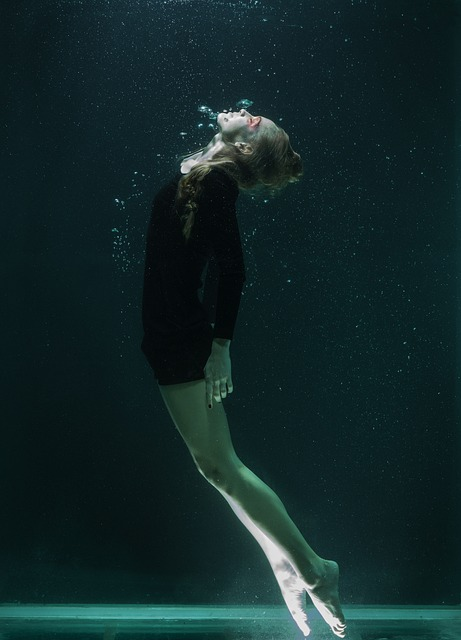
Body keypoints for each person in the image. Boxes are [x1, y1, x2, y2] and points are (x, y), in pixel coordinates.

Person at [141, 109, 347, 638]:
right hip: (168, 333)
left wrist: (221, 346)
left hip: (180, 334)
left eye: (257, 123)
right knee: (217, 467)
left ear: (249, 150)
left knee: (219, 466)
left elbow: (233, 268)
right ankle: (283, 561)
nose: (248, 115)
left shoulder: (218, 185)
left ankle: (312, 566)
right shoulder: (205, 174)